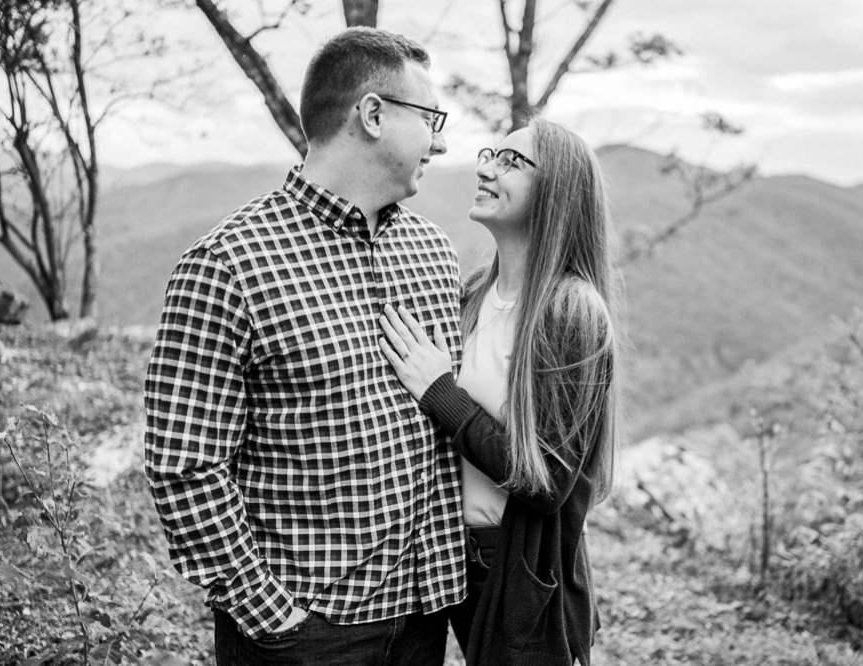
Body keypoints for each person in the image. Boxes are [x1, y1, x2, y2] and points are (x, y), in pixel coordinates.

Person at [144, 27, 466, 665]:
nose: (443, 139)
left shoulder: (433, 250)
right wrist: (272, 615)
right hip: (307, 636)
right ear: (372, 114)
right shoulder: (228, 264)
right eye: (430, 118)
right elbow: (184, 466)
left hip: (424, 622)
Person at [379, 117, 619, 666]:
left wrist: (440, 391)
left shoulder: (571, 312)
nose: (486, 167)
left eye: (512, 161)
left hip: (516, 568)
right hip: (448, 558)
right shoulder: (473, 293)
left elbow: (549, 483)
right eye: (492, 154)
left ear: (556, 192)